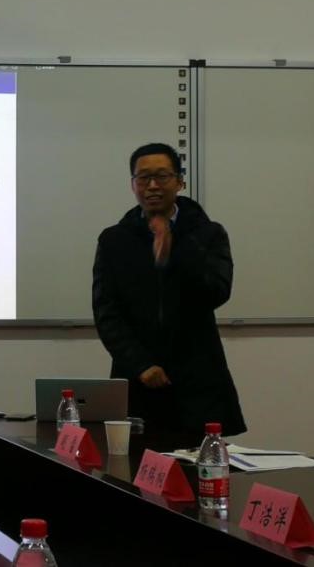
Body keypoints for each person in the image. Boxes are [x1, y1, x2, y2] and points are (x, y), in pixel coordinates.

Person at [92, 143, 245, 445]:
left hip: (197, 379)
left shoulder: (208, 234)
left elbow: (217, 291)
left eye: (162, 176)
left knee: (199, 468)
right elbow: (106, 311)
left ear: (179, 182)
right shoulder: (114, 240)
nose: (152, 186)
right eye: (143, 178)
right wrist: (140, 364)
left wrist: (176, 252)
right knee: (132, 467)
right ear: (133, 185)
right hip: (138, 379)